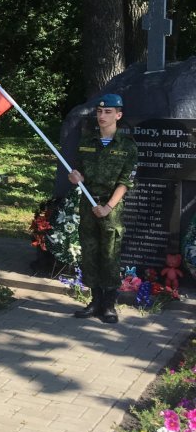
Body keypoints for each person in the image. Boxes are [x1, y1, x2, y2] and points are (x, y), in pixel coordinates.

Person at [69, 92, 138, 324]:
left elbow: (126, 182)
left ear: (118, 115)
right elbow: (78, 171)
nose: (102, 116)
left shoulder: (127, 146)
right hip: (88, 204)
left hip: (110, 208)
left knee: (109, 254)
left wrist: (108, 207)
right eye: (99, 111)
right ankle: (94, 300)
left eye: (108, 112)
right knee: (90, 253)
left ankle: (109, 304)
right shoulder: (86, 143)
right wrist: (75, 176)